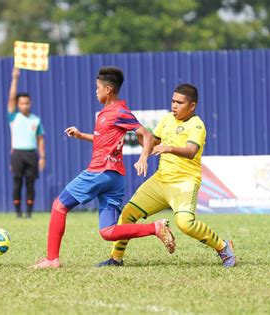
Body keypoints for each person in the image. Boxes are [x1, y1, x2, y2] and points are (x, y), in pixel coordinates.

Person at [31, 66, 175, 269]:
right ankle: (156, 228)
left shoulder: (119, 111)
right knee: (107, 231)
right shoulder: (106, 114)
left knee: (59, 206)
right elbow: (103, 140)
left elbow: (147, 135)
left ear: (108, 89)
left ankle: (52, 259)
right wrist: (81, 135)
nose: (95, 91)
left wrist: (143, 157)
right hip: (115, 178)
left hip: (99, 171)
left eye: (97, 87)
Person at [96, 84, 236, 268]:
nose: (174, 106)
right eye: (173, 101)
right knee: (128, 214)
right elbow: (151, 142)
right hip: (161, 180)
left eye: (179, 102)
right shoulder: (167, 119)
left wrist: (167, 147)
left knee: (185, 224)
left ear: (192, 106)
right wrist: (137, 133)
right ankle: (116, 259)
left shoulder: (197, 125)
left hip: (184, 183)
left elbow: (191, 151)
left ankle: (223, 247)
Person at [7, 68, 46, 218]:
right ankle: (18, 213)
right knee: (17, 183)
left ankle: (29, 213)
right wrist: (15, 79)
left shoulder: (35, 120)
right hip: (17, 153)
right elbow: (11, 98)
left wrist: (42, 157)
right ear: (18, 104)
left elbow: (41, 139)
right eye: (22, 103)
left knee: (30, 184)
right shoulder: (13, 117)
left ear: (30, 103)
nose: (25, 105)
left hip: (31, 154)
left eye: (27, 103)